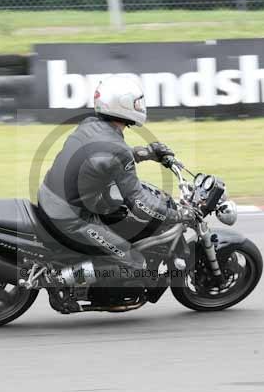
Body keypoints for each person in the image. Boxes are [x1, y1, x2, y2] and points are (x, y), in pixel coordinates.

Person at [36, 74, 193, 288]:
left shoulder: (90, 124)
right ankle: (59, 280)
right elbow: (140, 204)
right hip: (70, 217)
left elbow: (102, 157)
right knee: (135, 264)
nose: (140, 106)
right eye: (136, 102)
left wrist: (146, 153)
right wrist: (178, 215)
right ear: (123, 104)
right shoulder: (116, 147)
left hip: (50, 197)